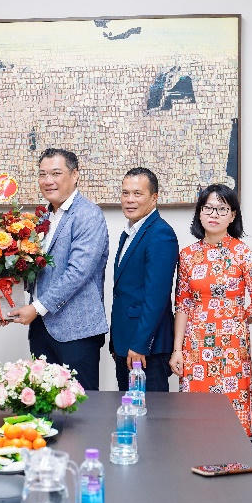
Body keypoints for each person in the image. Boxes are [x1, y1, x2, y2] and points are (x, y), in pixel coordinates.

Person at [8, 148, 109, 391]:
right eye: (42, 174)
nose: (48, 181)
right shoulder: (43, 217)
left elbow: (78, 272)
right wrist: (3, 303)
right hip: (41, 329)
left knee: (80, 405)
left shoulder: (88, 214)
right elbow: (35, 270)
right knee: (44, 402)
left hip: (76, 331)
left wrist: (36, 308)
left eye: (56, 173)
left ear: (75, 175)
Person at [171, 184, 252, 435]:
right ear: (199, 213)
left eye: (222, 209)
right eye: (208, 208)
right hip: (195, 346)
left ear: (233, 215)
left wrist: (234, 320)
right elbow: (182, 304)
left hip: (232, 349)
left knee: (232, 413)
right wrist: (177, 350)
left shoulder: (243, 253)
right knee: (195, 413)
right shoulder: (188, 256)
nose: (214, 214)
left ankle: (236, 461)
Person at [109, 167, 178, 392]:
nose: (130, 199)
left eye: (137, 193)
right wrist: (117, 341)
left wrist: (140, 344)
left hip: (146, 349)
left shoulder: (160, 234)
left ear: (154, 197)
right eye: (125, 193)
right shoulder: (130, 232)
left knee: (151, 412)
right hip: (125, 344)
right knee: (128, 408)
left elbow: (156, 297)